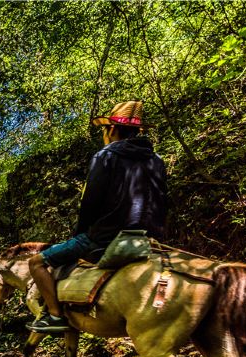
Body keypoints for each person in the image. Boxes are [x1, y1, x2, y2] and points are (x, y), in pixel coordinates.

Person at [27, 100, 170, 333]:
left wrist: (81, 234)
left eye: (106, 130)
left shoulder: (105, 155)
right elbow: (162, 200)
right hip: (149, 238)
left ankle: (54, 315)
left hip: (105, 237)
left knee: (37, 262)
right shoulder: (156, 160)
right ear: (138, 131)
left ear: (112, 129)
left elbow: (90, 201)